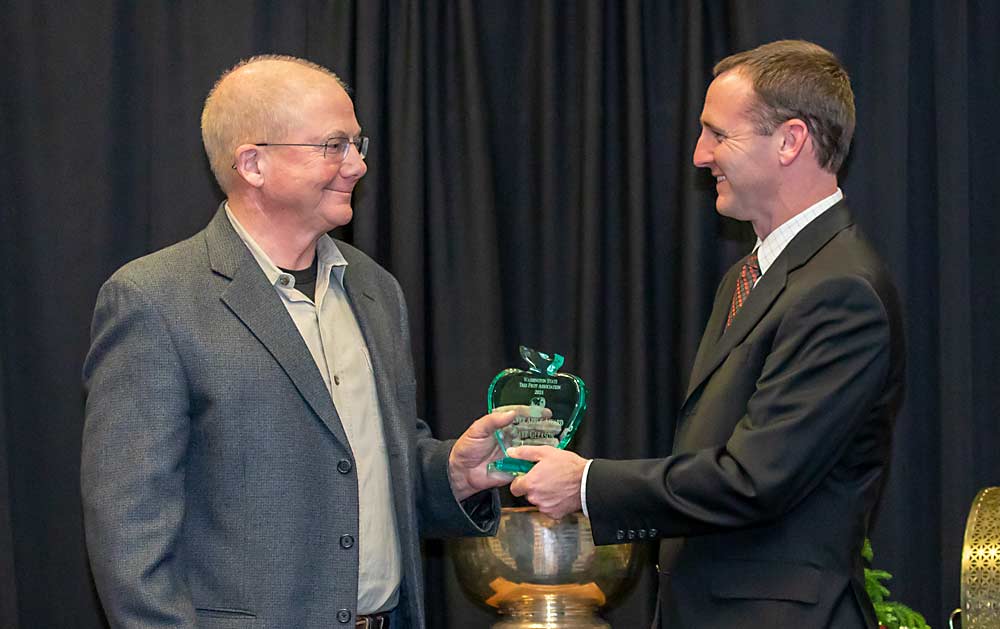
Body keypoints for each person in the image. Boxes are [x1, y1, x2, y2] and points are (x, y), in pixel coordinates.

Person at [80, 55, 524, 629]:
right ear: (253, 163)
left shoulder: (374, 289)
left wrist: (454, 475)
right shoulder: (154, 300)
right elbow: (127, 529)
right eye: (333, 145)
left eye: (357, 143)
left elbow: (362, 466)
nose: (358, 165)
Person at [507, 40, 905, 628]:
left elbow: (754, 480)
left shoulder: (840, 290)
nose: (700, 155)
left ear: (791, 141)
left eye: (719, 134)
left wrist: (588, 483)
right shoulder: (748, 277)